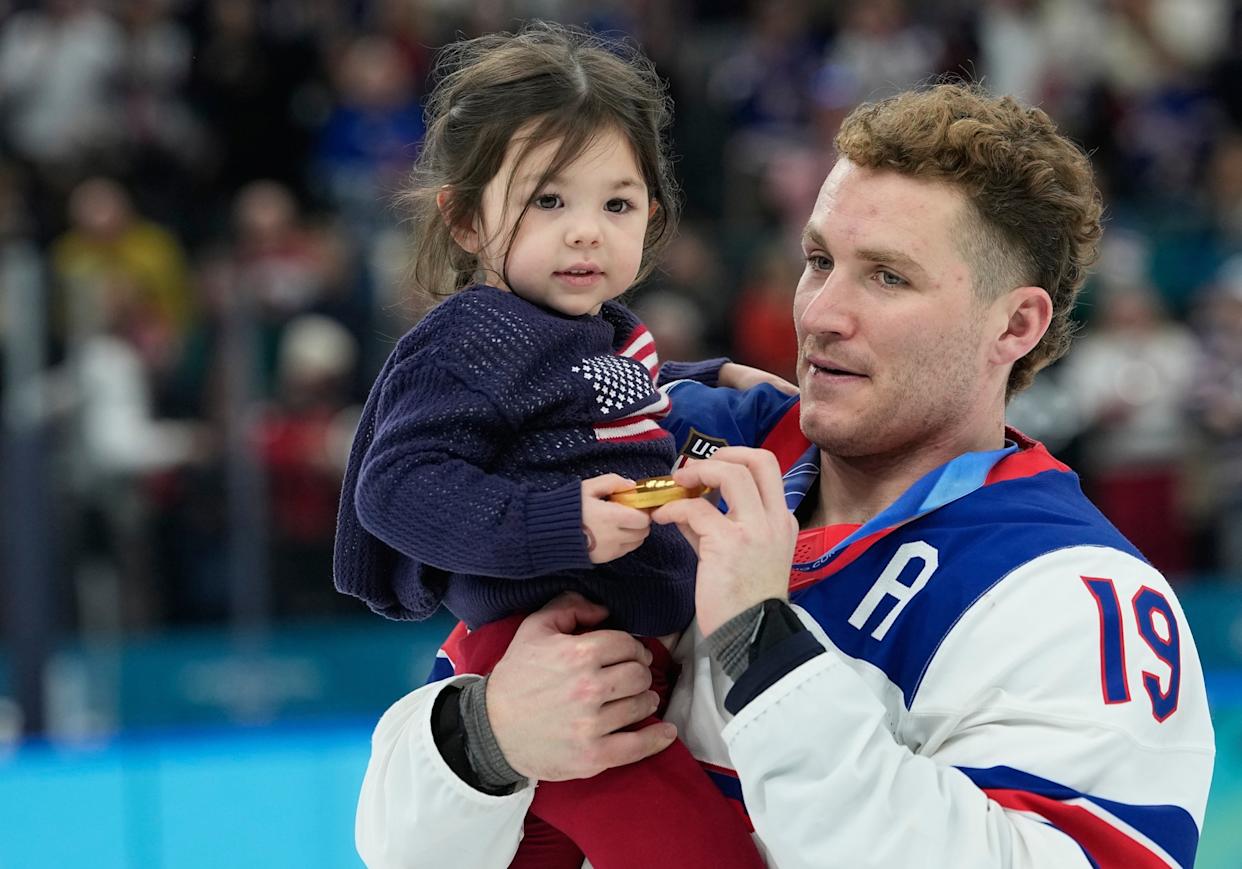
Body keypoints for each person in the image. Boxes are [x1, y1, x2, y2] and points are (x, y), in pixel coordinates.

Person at [352, 81, 1217, 868]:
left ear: (1015, 324)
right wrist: (483, 739)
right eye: (817, 260)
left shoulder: (1069, 594)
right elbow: (401, 848)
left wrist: (762, 645)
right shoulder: (669, 441)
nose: (822, 314)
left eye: (887, 276)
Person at [333, 23, 774, 869]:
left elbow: (604, 394)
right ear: (465, 219)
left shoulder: (591, 329)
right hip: (548, 657)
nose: (586, 232)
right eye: (548, 200)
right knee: (702, 852)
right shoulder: (476, 334)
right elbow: (396, 486)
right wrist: (557, 521)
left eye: (617, 203)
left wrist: (712, 376)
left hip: (607, 651)